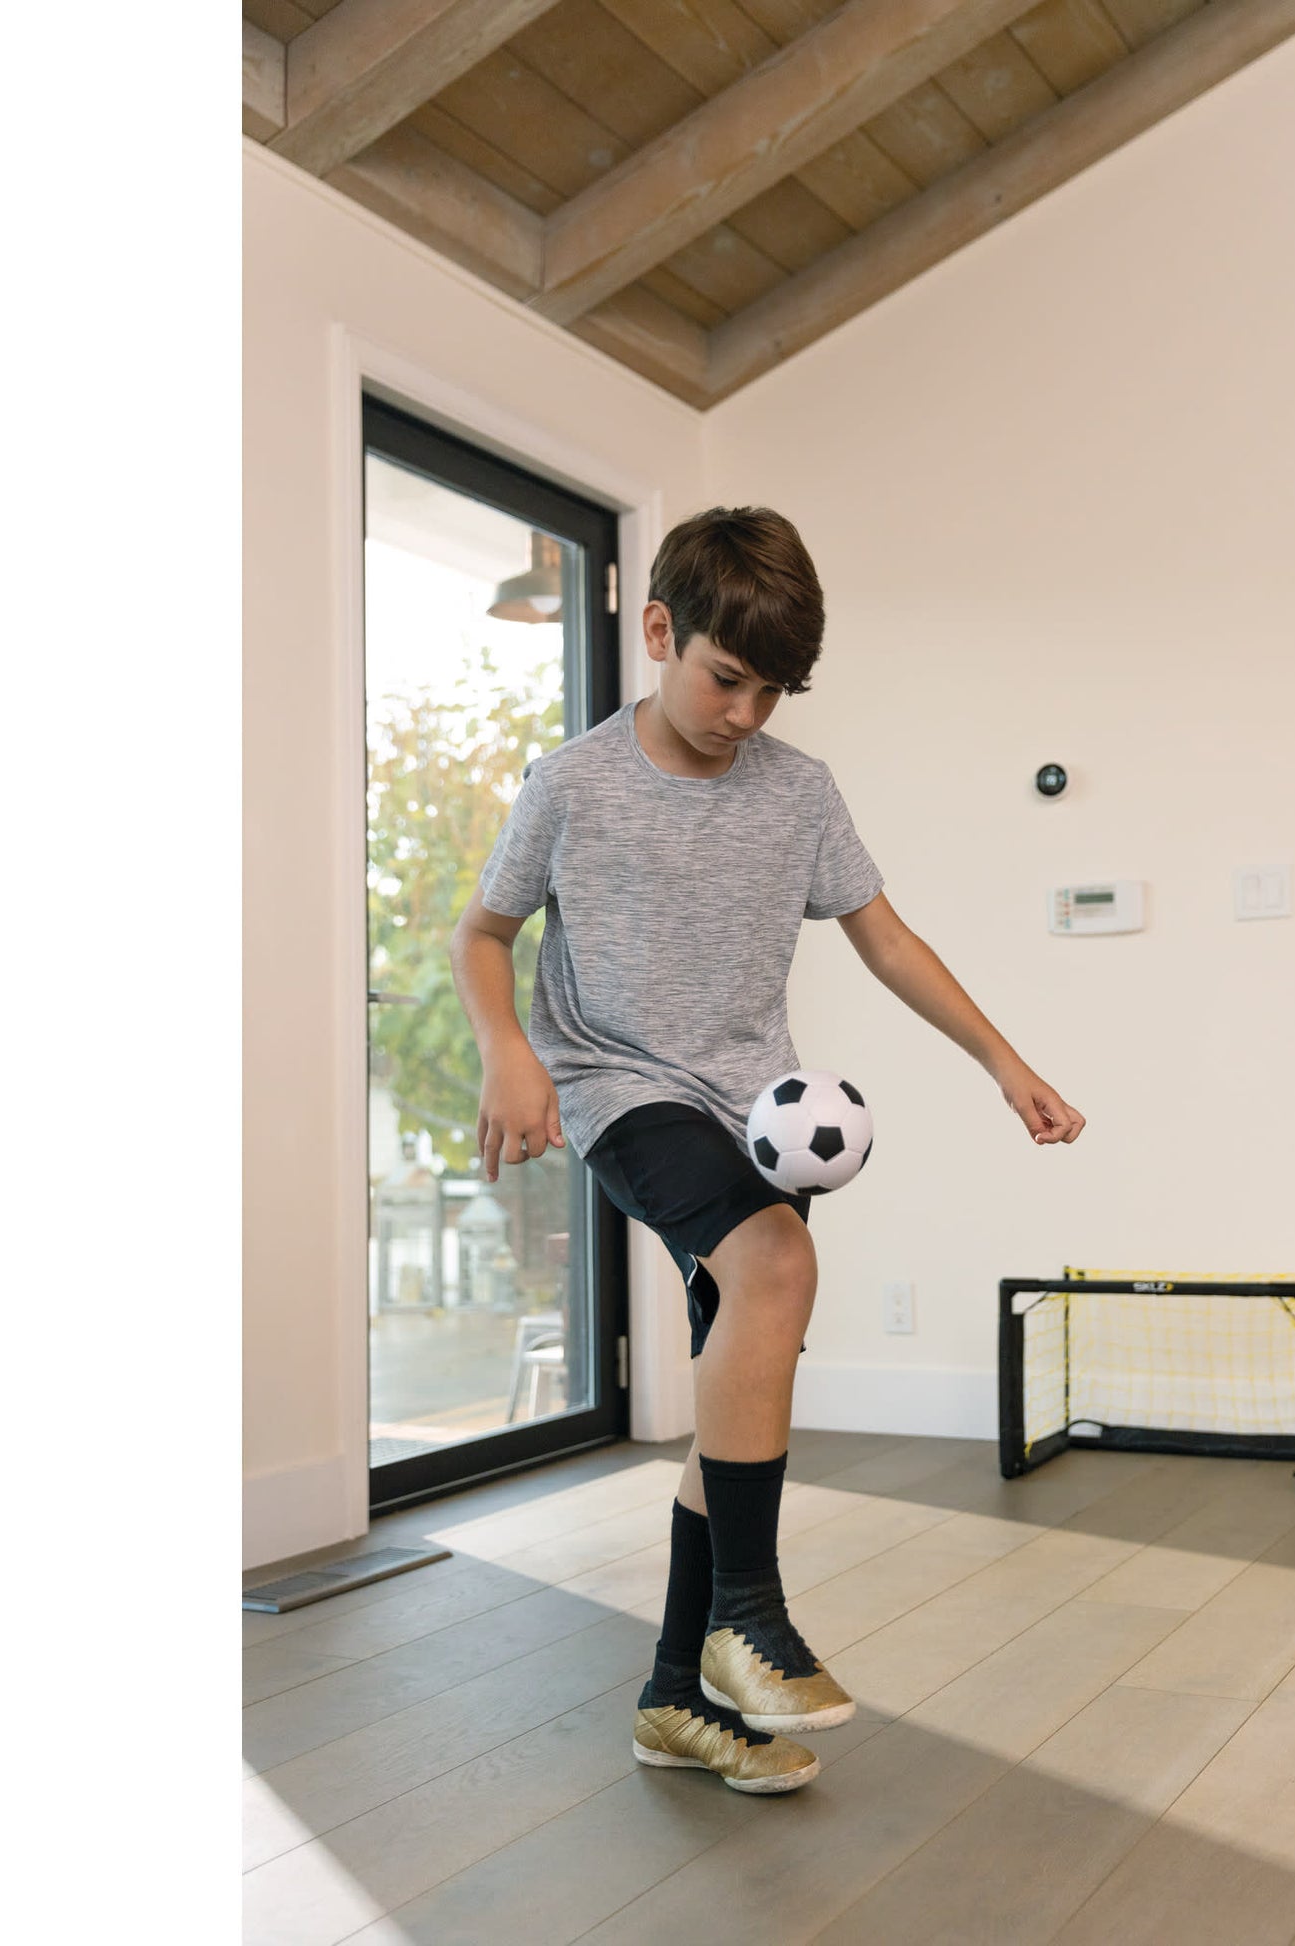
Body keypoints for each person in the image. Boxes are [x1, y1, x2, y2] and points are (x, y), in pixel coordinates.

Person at [448, 506, 1085, 1795]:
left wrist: (1004, 1061)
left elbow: (887, 939)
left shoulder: (798, 792)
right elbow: (482, 934)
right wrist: (507, 1051)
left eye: (774, 692)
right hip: (622, 1090)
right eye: (725, 680)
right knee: (779, 1272)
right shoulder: (571, 784)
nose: (747, 714)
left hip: (760, 1119)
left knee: (737, 1395)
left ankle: (674, 1698)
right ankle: (751, 1612)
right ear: (660, 631)